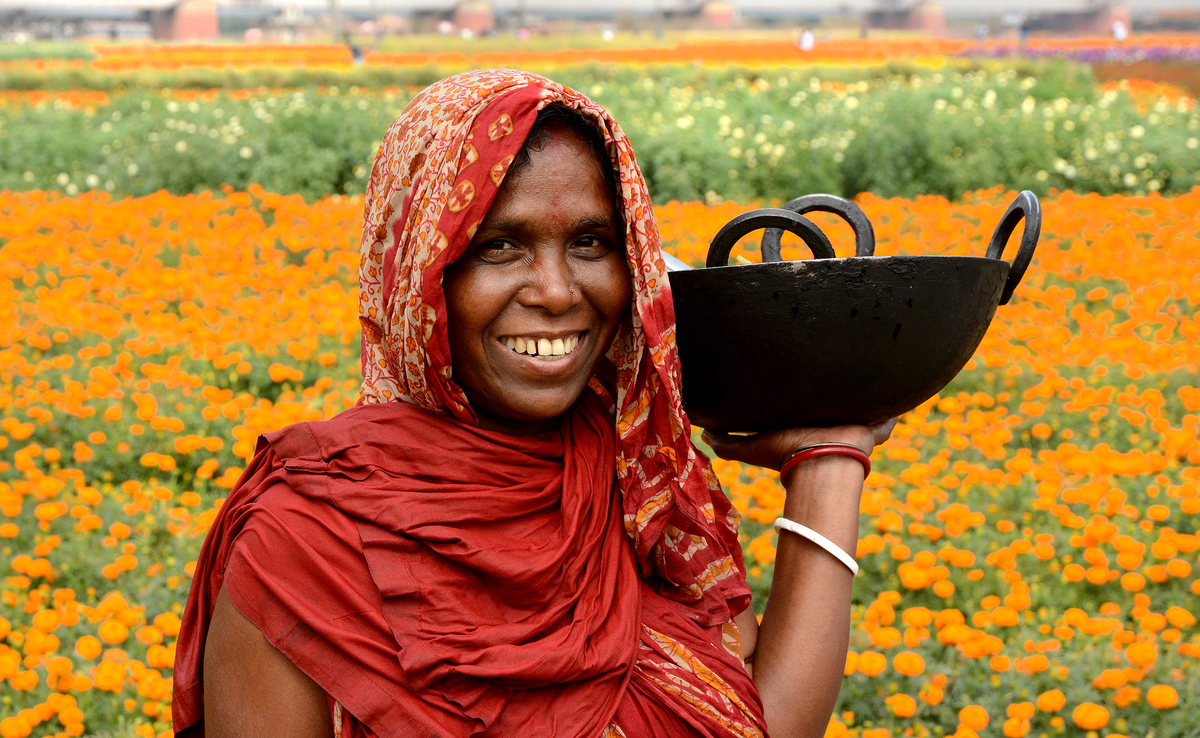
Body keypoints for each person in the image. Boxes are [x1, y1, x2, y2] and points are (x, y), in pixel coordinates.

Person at [172, 69, 893, 738]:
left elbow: (756, 724)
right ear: (419, 273)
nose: (555, 291)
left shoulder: (638, 478)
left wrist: (827, 469)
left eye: (590, 242)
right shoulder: (304, 542)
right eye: (499, 247)